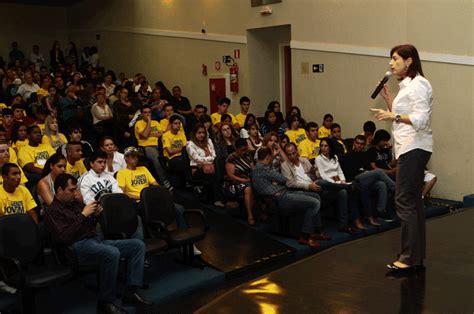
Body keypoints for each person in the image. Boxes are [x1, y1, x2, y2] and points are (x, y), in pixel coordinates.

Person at [44, 173, 152, 313]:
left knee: (137, 245)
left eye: (76, 189)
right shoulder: (52, 211)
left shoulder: (76, 204)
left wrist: (95, 216)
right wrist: (83, 215)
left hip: (94, 241)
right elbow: (63, 237)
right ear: (59, 190)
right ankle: (105, 302)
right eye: (71, 190)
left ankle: (130, 291)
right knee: (112, 253)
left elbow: (88, 227)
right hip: (75, 248)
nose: (75, 193)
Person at [371, 44, 433, 272]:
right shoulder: (407, 86)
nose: (391, 63)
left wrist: (392, 114)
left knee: (404, 201)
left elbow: (421, 119)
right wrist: (390, 102)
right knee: (414, 202)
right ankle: (415, 256)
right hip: (410, 146)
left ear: (409, 61)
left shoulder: (419, 84)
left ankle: (407, 257)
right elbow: (405, 116)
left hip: (414, 147)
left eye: (395, 59)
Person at [252, 147, 322, 248]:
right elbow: (283, 179)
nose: (273, 158)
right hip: (279, 199)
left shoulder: (258, 167)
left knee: (315, 196)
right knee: (314, 203)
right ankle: (305, 235)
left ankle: (316, 230)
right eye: (272, 157)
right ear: (267, 158)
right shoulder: (263, 168)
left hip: (282, 194)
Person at [339, 135, 396, 224]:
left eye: (361, 144)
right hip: (355, 179)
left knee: (381, 184)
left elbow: (368, 168)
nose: (359, 146)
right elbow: (349, 172)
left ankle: (380, 211)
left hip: (366, 179)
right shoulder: (347, 155)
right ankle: (396, 188)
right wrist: (363, 171)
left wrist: (365, 172)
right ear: (354, 143)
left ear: (364, 145)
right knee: (379, 172)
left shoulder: (365, 155)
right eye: (357, 143)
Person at [315, 138, 363, 232]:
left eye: (326, 146)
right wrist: (336, 183)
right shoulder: (318, 159)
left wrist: (343, 181)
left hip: (339, 184)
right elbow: (323, 176)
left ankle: (343, 225)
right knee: (346, 188)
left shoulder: (335, 157)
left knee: (343, 192)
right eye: (322, 146)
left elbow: (340, 171)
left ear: (330, 147)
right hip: (328, 186)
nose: (323, 148)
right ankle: (348, 186)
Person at [134, 105, 172, 189]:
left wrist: (151, 134)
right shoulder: (139, 123)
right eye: (145, 113)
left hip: (159, 145)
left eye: (149, 112)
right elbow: (144, 135)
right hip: (145, 147)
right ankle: (164, 181)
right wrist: (149, 122)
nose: (148, 114)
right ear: (141, 114)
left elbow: (163, 134)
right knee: (157, 158)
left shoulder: (156, 123)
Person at [224, 138, 255, 225]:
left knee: (257, 185)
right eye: (242, 150)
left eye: (245, 149)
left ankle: (258, 211)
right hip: (234, 183)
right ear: (237, 149)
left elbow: (253, 169)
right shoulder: (231, 158)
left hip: (248, 179)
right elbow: (230, 176)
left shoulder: (247, 156)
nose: (244, 152)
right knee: (248, 188)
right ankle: (250, 215)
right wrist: (243, 180)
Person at [162, 115, 187, 187]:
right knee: (182, 164)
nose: (178, 125)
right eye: (175, 123)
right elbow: (170, 152)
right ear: (170, 125)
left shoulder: (182, 134)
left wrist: (181, 149)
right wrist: (182, 149)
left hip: (183, 157)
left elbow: (186, 148)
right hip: (172, 159)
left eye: (179, 123)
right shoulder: (166, 135)